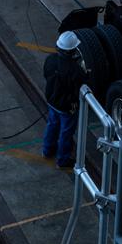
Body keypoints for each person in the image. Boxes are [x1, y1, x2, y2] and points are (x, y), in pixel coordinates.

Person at [42, 32, 85, 168]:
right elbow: (79, 87)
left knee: (52, 125)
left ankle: (47, 151)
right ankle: (63, 160)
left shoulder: (50, 60)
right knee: (66, 133)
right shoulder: (75, 70)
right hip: (66, 107)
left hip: (52, 101)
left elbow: (46, 74)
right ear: (71, 51)